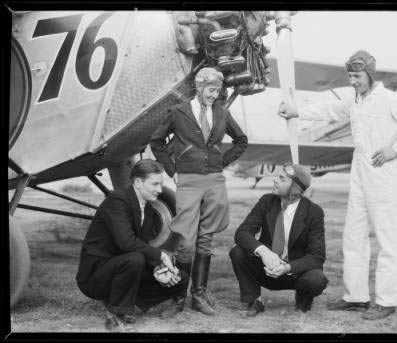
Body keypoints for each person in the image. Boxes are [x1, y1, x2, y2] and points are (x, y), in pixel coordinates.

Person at [278, 50, 397, 320]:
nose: (353, 81)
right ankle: (356, 297)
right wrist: (296, 111)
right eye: (350, 76)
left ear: (370, 75)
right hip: (359, 174)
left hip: (386, 177)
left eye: (357, 76)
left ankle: (386, 301)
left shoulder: (389, 99)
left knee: (388, 240)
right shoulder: (354, 100)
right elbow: (328, 110)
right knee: (353, 236)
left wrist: (396, 149)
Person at [149, 67, 248, 315]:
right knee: (185, 240)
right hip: (188, 181)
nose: (215, 95)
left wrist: (221, 163)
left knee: (206, 239)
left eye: (218, 91)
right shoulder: (179, 112)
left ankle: (198, 296)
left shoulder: (222, 113)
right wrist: (172, 170)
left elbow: (241, 141)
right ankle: (178, 298)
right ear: (200, 87)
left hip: (214, 180)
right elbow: (157, 142)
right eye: (211, 90)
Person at [76, 159, 188, 332]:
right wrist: (160, 256)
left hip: (124, 269)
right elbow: (126, 242)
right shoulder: (116, 201)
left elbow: (140, 246)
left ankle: (125, 301)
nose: (160, 190)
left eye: (161, 184)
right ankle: (116, 315)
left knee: (181, 277)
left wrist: (158, 268)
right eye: (155, 184)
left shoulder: (149, 210)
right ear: (138, 182)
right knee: (134, 259)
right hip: (95, 276)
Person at [230, 163, 328, 316]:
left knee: (316, 278)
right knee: (238, 252)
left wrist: (288, 267)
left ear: (295, 188)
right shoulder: (267, 201)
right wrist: (264, 252)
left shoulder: (314, 212)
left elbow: (317, 257)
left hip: (293, 273)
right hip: (266, 268)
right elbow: (242, 233)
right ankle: (254, 300)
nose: (275, 180)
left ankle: (302, 302)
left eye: (281, 179)